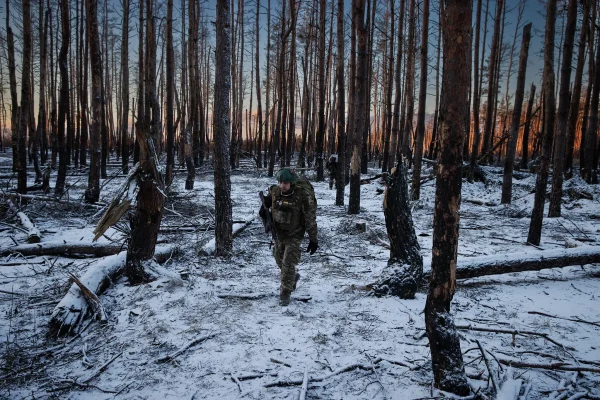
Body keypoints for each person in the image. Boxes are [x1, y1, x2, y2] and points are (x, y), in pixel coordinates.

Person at [259, 168, 318, 306]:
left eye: (285, 183)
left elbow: (310, 218)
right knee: (278, 258)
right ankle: (292, 277)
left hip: (294, 234)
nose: (282, 185)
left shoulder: (302, 196)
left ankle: (285, 292)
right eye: (280, 182)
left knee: (288, 263)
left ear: (291, 183)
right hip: (279, 233)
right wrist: (264, 208)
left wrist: (313, 239)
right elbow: (268, 204)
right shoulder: (275, 192)